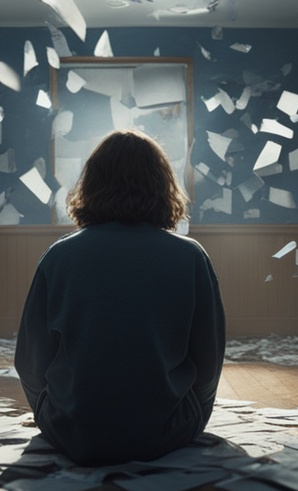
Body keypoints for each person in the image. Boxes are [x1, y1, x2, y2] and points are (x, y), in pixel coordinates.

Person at [15, 129, 226, 466]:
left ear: (91, 185)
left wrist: (53, 413)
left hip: (70, 429)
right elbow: (208, 361)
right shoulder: (191, 256)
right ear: (163, 186)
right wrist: (192, 417)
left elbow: (30, 362)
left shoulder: (58, 256)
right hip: (169, 429)